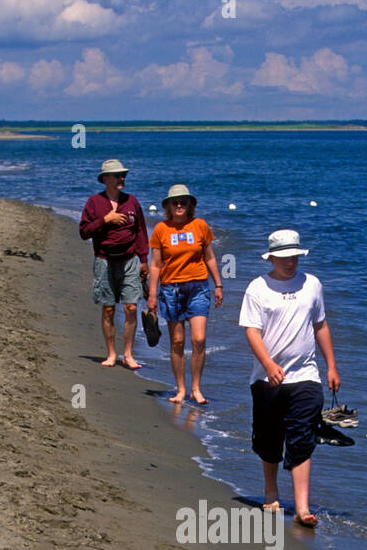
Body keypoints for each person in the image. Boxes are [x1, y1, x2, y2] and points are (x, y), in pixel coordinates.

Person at [239, 229, 340, 529]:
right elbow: (252, 332)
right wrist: (269, 364)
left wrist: (332, 366)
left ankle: (301, 507)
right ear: (271, 258)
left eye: (295, 256)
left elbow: (320, 325)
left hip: (306, 376)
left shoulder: (312, 285)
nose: (290, 262)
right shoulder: (257, 288)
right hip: (266, 378)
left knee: (302, 436)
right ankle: (271, 492)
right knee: (269, 438)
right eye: (284, 257)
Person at [147, 184, 222, 406]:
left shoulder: (200, 226)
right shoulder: (161, 229)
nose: (179, 205)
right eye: (175, 202)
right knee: (177, 342)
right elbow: (155, 264)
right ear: (168, 206)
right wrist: (152, 294)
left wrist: (218, 285)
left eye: (183, 202)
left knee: (199, 339)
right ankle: (180, 389)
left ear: (190, 205)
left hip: (198, 287)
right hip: (171, 290)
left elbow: (209, 257)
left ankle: (196, 389)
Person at [79, 158, 149, 368]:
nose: (122, 178)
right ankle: (111, 354)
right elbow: (84, 232)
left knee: (130, 307)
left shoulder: (132, 201)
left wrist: (144, 259)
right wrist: (105, 220)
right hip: (104, 260)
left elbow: (140, 231)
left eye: (123, 175)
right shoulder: (94, 202)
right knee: (108, 309)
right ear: (106, 179)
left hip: (129, 260)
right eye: (118, 175)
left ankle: (127, 354)